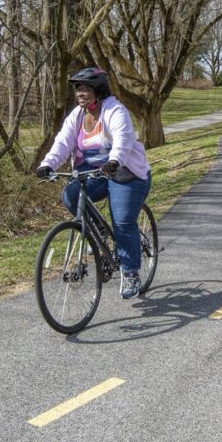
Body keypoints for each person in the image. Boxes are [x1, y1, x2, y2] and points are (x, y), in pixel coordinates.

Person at [35, 67, 151, 299]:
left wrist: (115, 160)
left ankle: (130, 272)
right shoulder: (77, 116)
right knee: (70, 194)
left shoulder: (115, 110)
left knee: (122, 222)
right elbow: (62, 143)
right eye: (78, 89)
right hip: (95, 173)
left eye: (86, 88)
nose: (80, 93)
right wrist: (47, 164)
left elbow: (123, 138)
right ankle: (98, 231)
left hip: (125, 174)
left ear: (98, 91)